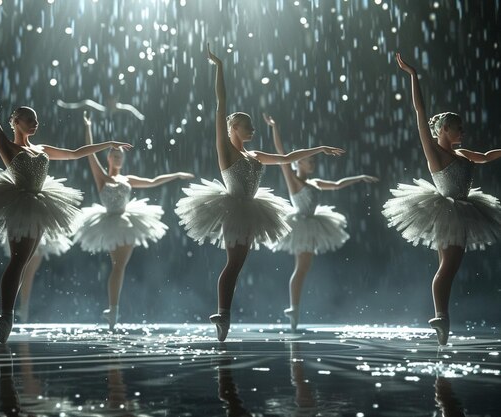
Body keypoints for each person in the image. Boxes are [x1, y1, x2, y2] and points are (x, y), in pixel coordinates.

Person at [175, 44, 345, 341]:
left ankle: (223, 314)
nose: (253, 130)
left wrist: (318, 147)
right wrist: (220, 68)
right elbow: (220, 104)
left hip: (252, 209)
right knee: (233, 263)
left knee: (238, 264)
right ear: (234, 129)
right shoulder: (226, 151)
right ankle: (222, 313)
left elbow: (288, 158)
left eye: (253, 126)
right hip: (232, 207)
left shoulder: (256, 156)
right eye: (248, 127)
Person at [0, 64, 131, 343]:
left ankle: (9, 315)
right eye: (29, 120)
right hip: (20, 203)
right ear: (16, 122)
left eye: (36, 120)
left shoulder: (41, 148)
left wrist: (107, 143)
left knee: (24, 261)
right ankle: (6, 315)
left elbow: (76, 154)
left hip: (40, 203)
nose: (34, 124)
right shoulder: (9, 147)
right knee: (17, 261)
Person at [383, 53, 501, 345]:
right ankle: (441, 317)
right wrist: (413, 76)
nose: (463, 130)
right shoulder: (435, 152)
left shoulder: (462, 153)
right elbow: (419, 112)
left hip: (461, 208)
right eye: (458, 127)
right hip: (446, 210)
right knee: (448, 267)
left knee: (447, 267)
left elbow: (486, 157)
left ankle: (443, 323)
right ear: (444, 129)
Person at [73, 113, 193, 329]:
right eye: (114, 155)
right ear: (108, 158)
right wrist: (88, 127)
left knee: (120, 267)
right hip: (109, 220)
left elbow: (154, 181)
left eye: (120, 156)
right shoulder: (102, 176)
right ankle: (113, 310)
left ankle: (113, 310)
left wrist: (176, 174)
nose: (117, 158)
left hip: (127, 221)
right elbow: (90, 154)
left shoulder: (128, 179)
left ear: (123, 160)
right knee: (117, 267)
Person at [262, 114, 378, 331]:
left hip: (311, 223)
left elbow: (336, 185)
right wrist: (275, 127)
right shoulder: (293, 180)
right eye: (310, 160)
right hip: (301, 224)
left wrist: (359, 177)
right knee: (303, 268)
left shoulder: (314, 182)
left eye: (314, 160)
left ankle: (294, 308)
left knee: (304, 268)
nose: (313, 163)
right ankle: (293, 308)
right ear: (299, 162)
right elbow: (281, 153)